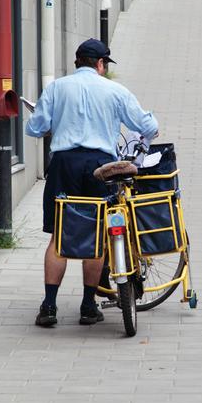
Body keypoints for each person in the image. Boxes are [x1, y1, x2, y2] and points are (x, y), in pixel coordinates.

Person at [25, 38, 158, 328]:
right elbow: (148, 127)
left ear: (77, 63)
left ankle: (49, 306)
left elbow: (34, 127)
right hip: (102, 166)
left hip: (64, 165)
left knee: (59, 234)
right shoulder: (114, 90)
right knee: (99, 232)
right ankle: (88, 305)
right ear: (100, 64)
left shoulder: (57, 88)